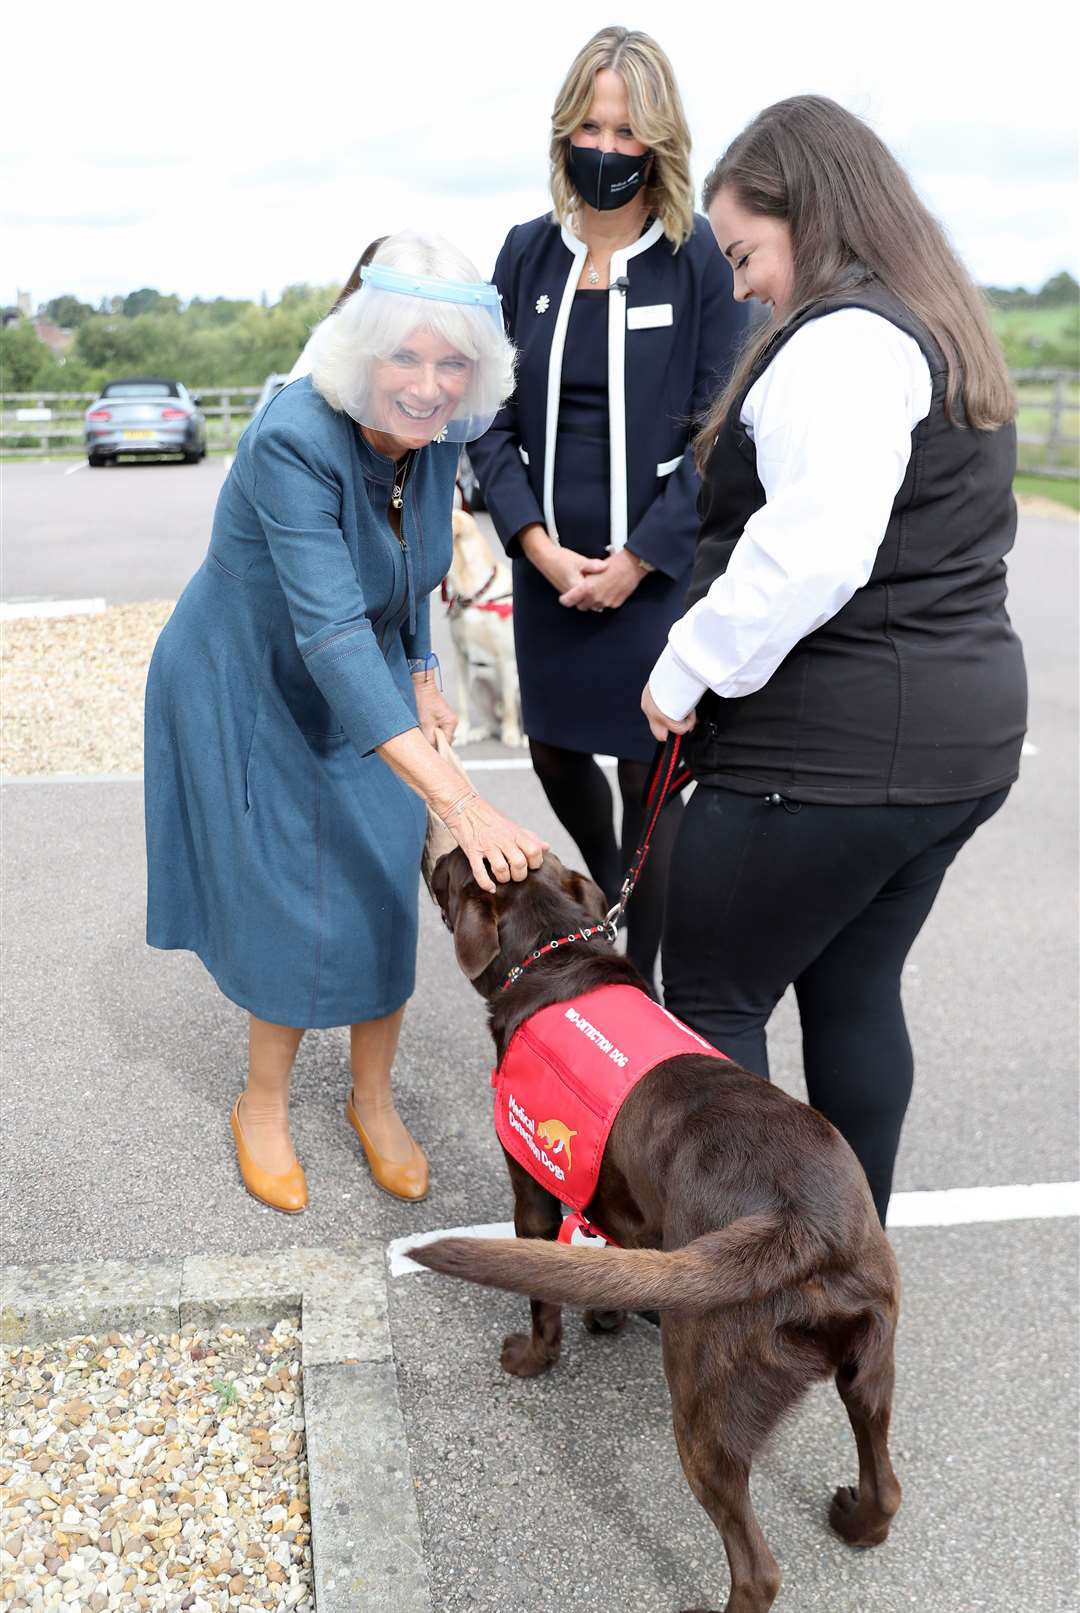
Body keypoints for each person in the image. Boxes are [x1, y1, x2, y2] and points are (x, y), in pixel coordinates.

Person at [641, 96, 1027, 1226]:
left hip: (831, 755)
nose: (746, 284)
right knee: (854, 989)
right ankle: (845, 1266)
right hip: (956, 745)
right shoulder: (935, 324)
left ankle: (736, 1297)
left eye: (746, 252)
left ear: (806, 213)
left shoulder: (846, 342)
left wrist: (681, 670)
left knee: (712, 996)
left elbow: (811, 550)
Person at [145, 231, 546, 1216]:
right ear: (359, 349)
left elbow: (408, 563)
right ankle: (263, 1102)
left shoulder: (440, 423)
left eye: (452, 361)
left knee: (375, 881)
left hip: (362, 672)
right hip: (252, 675)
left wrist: (417, 664)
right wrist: (463, 801)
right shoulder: (293, 437)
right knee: (285, 896)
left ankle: (374, 1099)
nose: (427, 383)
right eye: (405, 356)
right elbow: (326, 637)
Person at [467, 26, 749, 986]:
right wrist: (536, 546)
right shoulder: (522, 256)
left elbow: (723, 426)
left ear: (659, 142)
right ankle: (614, 897)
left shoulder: (698, 259)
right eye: (591, 126)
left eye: (628, 132)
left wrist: (640, 559)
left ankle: (641, 976)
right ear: (563, 133)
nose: (608, 148)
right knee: (551, 750)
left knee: (648, 774)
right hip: (549, 563)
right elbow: (486, 418)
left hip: (655, 570)